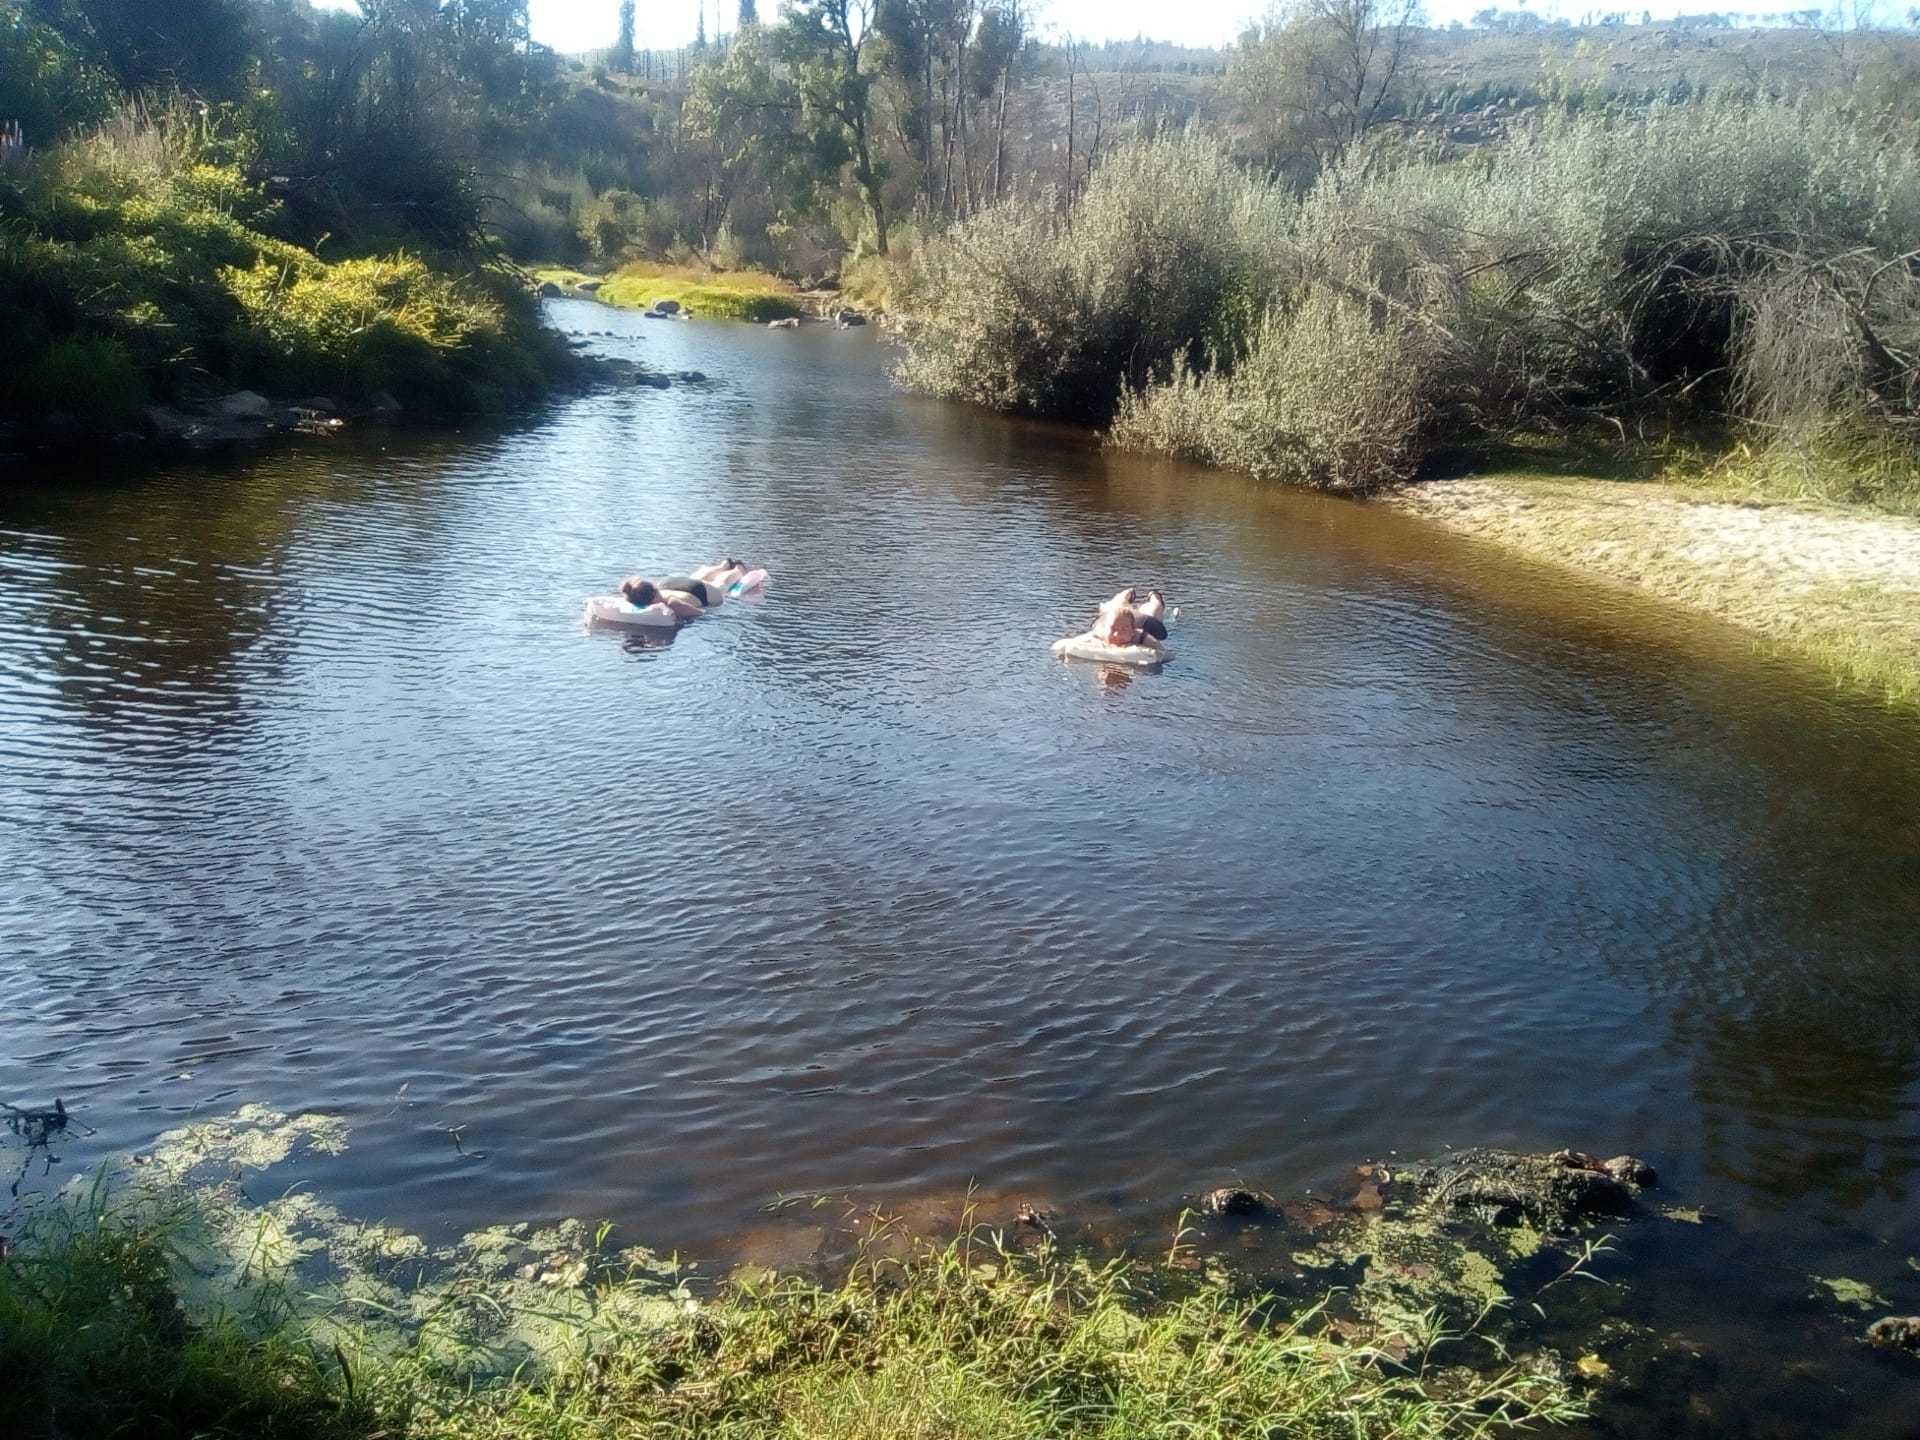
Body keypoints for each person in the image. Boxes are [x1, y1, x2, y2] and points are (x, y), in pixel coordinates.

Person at [1092, 587, 1168, 648]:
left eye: (1123, 631)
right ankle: (1127, 594)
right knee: (1113, 609)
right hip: (1109, 618)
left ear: (1133, 632)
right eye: (1113, 630)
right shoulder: (1100, 632)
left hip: (1144, 621)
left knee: (1153, 611)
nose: (1116, 635)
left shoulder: (1140, 636)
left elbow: (1164, 653)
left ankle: (1155, 597)